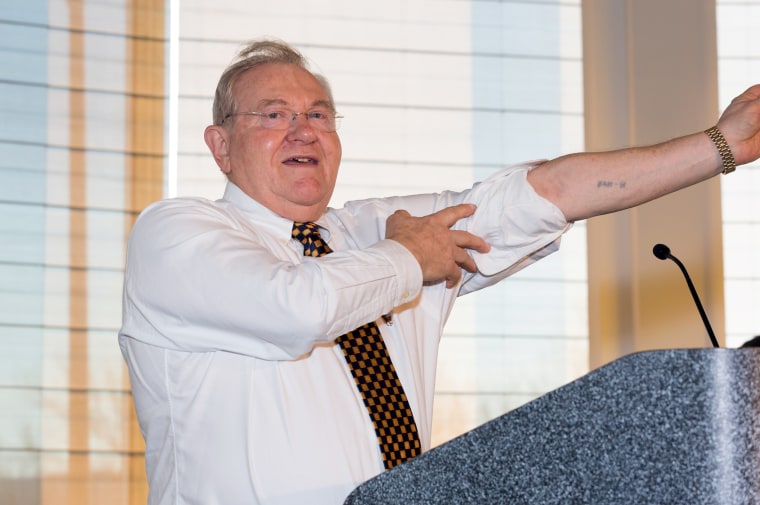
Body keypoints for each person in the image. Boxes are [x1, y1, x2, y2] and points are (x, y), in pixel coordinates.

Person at [118, 38, 760, 505]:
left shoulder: (372, 231)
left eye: (318, 114)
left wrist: (721, 145)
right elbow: (295, 309)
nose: (303, 130)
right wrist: (407, 259)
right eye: (273, 113)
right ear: (220, 145)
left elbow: (546, 193)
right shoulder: (176, 233)